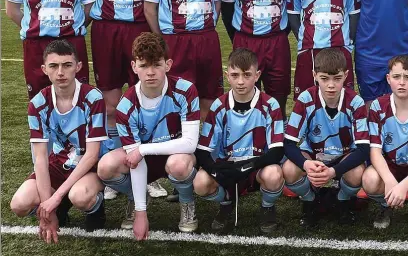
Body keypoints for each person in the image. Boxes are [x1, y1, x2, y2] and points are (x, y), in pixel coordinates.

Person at [83, 0, 167, 199]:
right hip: (105, 29)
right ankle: (115, 165)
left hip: (138, 29)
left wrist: (158, 36)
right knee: (109, 102)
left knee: (145, 100)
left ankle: (149, 172)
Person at [97, 33, 200, 239]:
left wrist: (143, 149)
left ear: (168, 65)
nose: (150, 72)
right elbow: (135, 161)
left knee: (179, 164)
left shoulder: (185, 90)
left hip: (176, 155)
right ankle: (137, 198)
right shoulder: (126, 106)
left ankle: (187, 202)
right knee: (105, 167)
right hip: (142, 160)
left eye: (157, 65)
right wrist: (141, 213)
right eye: (144, 66)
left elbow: (189, 143)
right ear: (134, 67)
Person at [10, 40, 110, 242]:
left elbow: (91, 155)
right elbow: (40, 158)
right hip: (60, 162)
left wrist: (54, 198)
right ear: (44, 69)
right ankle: (61, 208)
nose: (60, 72)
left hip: (91, 164)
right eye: (54, 66)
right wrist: (49, 210)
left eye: (67, 65)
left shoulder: (93, 97)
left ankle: (95, 208)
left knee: (80, 196)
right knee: (19, 204)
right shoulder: (37, 103)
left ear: (78, 67)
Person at [194, 48, 285, 233]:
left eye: (247, 75)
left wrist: (245, 167)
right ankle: (227, 202)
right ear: (227, 76)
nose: (241, 81)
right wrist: (218, 172)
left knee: (274, 174)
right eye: (235, 75)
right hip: (227, 167)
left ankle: (267, 206)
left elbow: (277, 151)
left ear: (257, 75)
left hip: (257, 167)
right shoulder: (219, 105)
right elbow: (202, 150)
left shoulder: (270, 104)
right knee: (200, 183)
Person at [283, 49, 369, 227]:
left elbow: (363, 149)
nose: (331, 85)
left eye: (337, 78)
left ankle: (342, 199)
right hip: (314, 156)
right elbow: (289, 143)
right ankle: (310, 200)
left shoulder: (356, 102)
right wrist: (306, 164)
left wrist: (333, 172)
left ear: (346, 76)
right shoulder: (305, 99)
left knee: (357, 172)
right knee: (290, 169)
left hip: (344, 156)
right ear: (315, 75)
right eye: (324, 78)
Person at [363, 55, 408, 231]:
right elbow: (375, 151)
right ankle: (385, 204)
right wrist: (390, 181)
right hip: (389, 166)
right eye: (396, 77)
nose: (402, 82)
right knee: (370, 179)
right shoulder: (377, 106)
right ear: (388, 79)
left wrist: (403, 186)